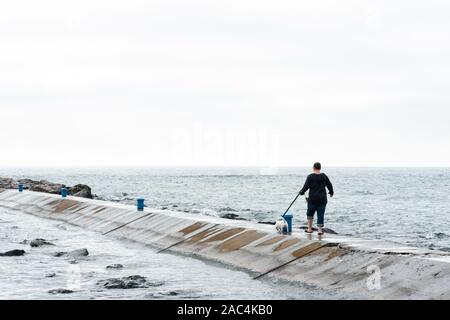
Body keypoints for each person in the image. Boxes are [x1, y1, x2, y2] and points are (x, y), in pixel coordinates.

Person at [299, 162, 334, 236]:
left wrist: (301, 192)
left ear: (313, 168)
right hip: (322, 199)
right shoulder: (324, 176)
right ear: (320, 168)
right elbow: (329, 185)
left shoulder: (310, 177)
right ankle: (320, 231)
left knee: (310, 213)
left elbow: (305, 187)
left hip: (312, 199)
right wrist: (331, 192)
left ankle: (309, 229)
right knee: (320, 214)